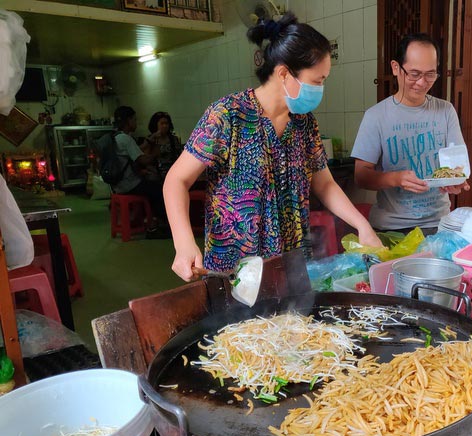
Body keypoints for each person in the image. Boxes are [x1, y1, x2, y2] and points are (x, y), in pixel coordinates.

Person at [164, 13, 382, 281]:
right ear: (283, 73)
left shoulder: (304, 123)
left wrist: (362, 225)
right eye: (317, 81)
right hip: (233, 268)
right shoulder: (228, 115)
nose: (321, 88)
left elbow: (324, 184)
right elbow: (176, 179)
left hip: (292, 265)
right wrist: (183, 243)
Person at [351, 33, 470, 235]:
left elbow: (456, 166)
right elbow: (361, 176)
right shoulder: (376, 116)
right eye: (414, 74)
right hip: (392, 228)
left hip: (439, 225)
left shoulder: (446, 111)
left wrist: (455, 182)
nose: (422, 82)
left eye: (430, 74)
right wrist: (395, 179)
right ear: (396, 68)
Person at [112, 106, 168, 236]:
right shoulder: (126, 139)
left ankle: (146, 220)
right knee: (159, 189)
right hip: (129, 184)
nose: (136, 123)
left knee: (150, 184)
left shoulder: (115, 137)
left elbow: (135, 151)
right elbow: (144, 161)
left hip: (117, 185)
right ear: (128, 121)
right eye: (134, 119)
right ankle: (159, 225)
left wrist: (149, 141)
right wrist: (156, 153)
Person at [146, 111, 182, 181]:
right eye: (162, 124)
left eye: (166, 123)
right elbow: (146, 158)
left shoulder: (173, 139)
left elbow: (179, 155)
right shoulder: (151, 139)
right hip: (156, 175)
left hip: (172, 173)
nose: (165, 126)